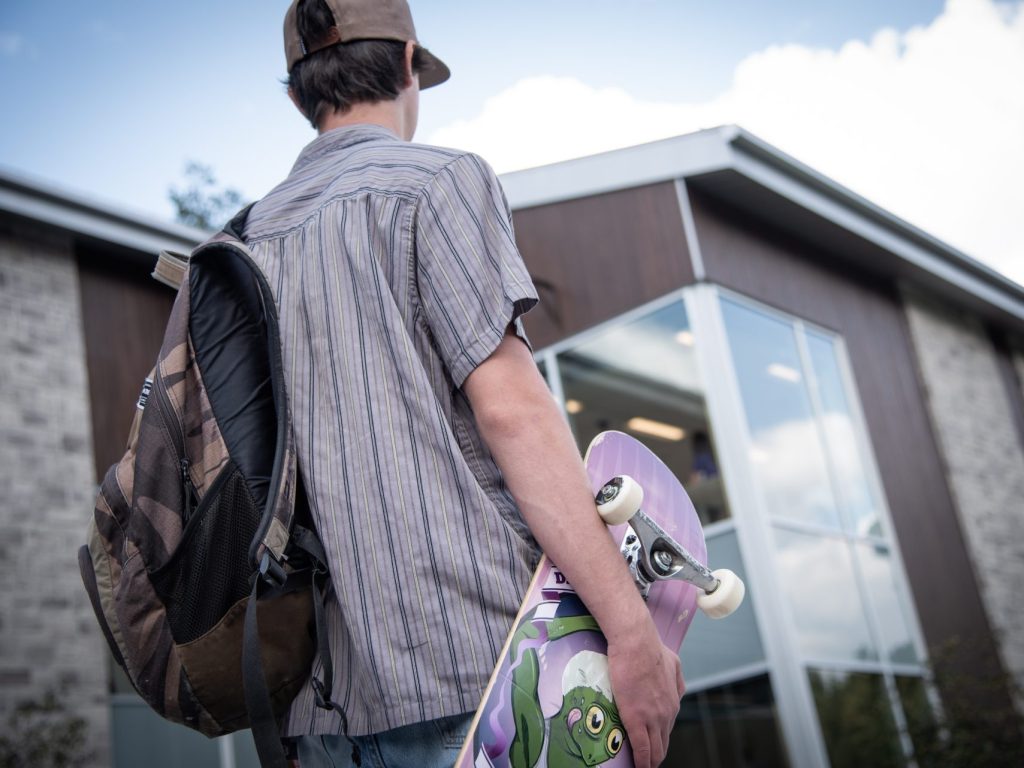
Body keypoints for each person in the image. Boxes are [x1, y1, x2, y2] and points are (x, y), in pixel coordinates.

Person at [245, 1, 684, 765]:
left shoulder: (238, 243)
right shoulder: (440, 182)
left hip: (315, 704)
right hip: (479, 677)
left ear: (296, 96)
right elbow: (513, 415)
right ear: (410, 63)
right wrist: (631, 633)